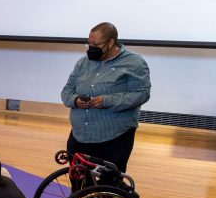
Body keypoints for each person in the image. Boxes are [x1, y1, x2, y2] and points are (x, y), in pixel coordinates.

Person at [61, 22, 151, 174]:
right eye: (89, 43)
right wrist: (76, 100)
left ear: (110, 42)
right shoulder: (83, 63)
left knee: (109, 185)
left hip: (114, 137)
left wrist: (107, 101)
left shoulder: (134, 63)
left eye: (96, 44)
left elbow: (141, 94)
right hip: (80, 134)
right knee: (78, 183)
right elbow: (67, 91)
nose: (91, 48)